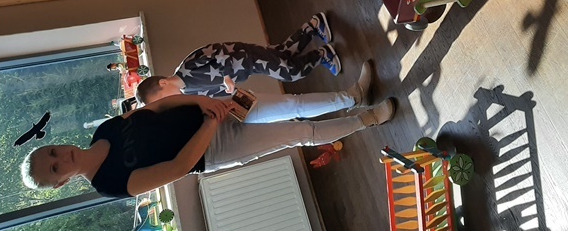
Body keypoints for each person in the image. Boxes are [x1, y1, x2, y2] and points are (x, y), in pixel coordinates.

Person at [21, 88, 395, 198]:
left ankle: (354, 95)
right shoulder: (110, 184)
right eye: (55, 168)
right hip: (214, 146)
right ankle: (366, 119)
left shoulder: (103, 130)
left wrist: (202, 103)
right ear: (61, 182)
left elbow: (159, 106)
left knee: (290, 104)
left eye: (52, 152)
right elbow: (178, 168)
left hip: (212, 112)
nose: (61, 157)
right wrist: (209, 125)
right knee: (300, 132)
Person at [135, 12, 348, 107]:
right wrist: (231, 93)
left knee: (290, 72)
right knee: (284, 54)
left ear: (163, 83)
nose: (167, 101)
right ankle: (313, 25)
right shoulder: (189, 92)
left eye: (162, 98)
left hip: (246, 56)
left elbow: (216, 51)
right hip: (247, 69)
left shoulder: (188, 66)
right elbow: (218, 92)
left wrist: (226, 75)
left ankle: (322, 54)